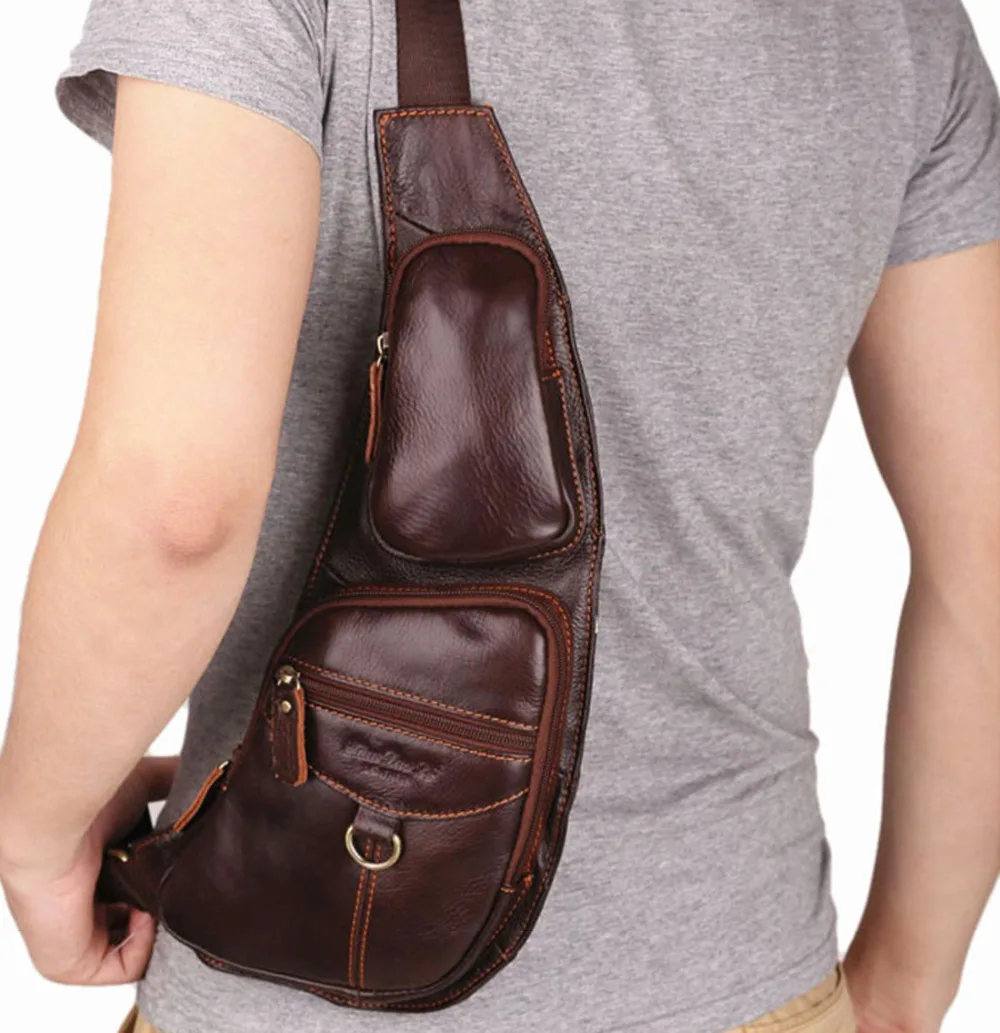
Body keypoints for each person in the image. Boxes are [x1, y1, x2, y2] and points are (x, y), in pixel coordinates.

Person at [0, 0, 997, 1031]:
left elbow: (175, 506)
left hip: (304, 963)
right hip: (748, 968)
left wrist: (36, 833)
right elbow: (985, 566)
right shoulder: (904, 28)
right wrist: (902, 991)